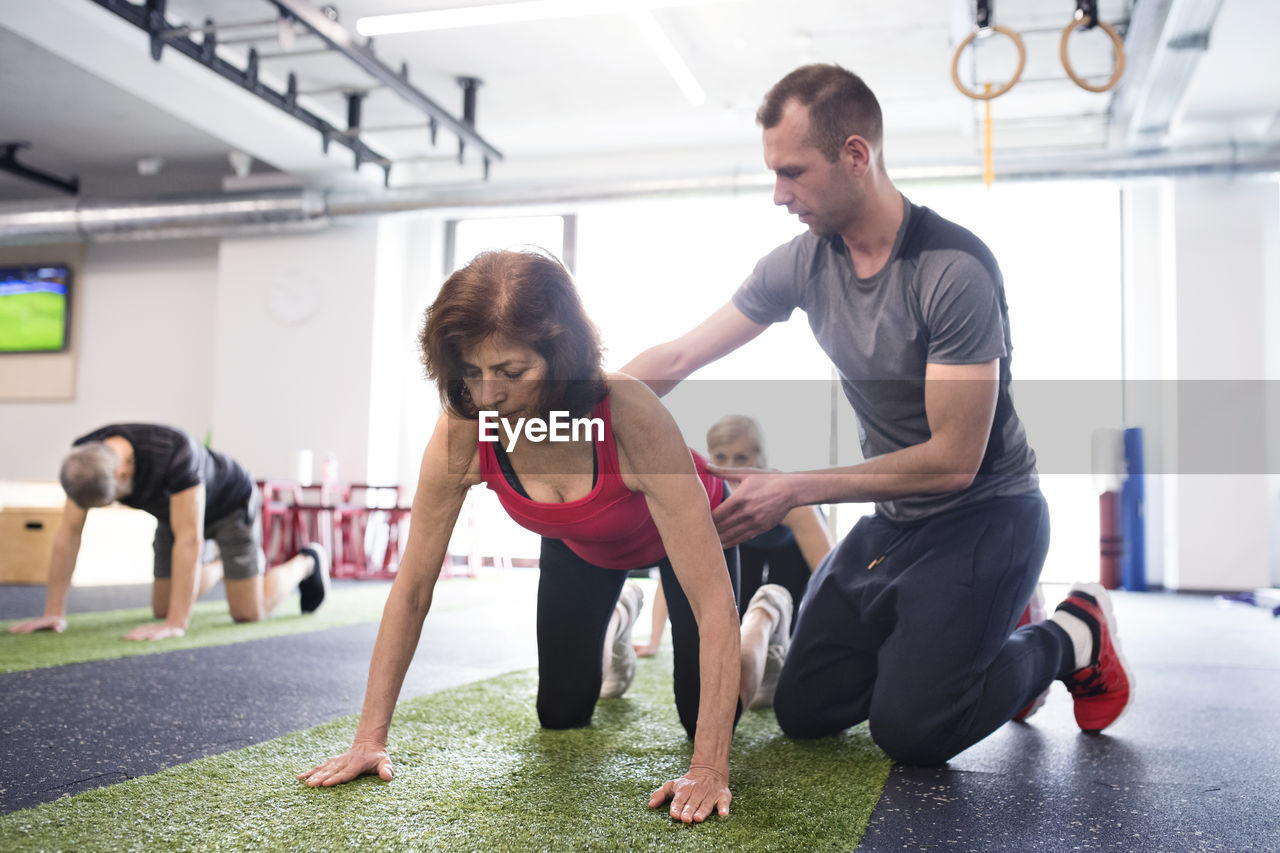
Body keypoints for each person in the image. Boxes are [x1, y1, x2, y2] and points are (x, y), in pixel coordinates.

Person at [621, 64, 1133, 765]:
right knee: (805, 711)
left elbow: (955, 460)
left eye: (793, 172)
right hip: (897, 521)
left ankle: (1071, 632)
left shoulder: (952, 269)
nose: (779, 194)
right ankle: (958, 630)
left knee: (913, 728)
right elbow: (678, 357)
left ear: (856, 156)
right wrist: (566, 403)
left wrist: (794, 485)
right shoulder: (800, 265)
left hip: (988, 513)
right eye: (774, 173)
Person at [298, 250, 790, 824]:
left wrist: (708, 767)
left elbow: (711, 608)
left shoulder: (630, 413)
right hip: (582, 542)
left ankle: (764, 620)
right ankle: (621, 610)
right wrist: (369, 740)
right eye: (472, 371)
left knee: (709, 716)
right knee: (560, 712)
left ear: (562, 357)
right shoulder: (464, 430)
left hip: (683, 536)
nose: (487, 395)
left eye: (511, 372)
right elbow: (410, 591)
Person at [7, 424, 329, 641]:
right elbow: (68, 533)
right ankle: (221, 566)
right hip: (171, 510)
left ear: (121, 473)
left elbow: (189, 540)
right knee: (162, 608)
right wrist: (53, 613)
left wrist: (176, 624)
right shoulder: (86, 462)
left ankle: (306, 561)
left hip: (229, 503)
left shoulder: (174, 453)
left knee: (248, 613)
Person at [636, 415, 834, 690]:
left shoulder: (788, 499)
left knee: (784, 616)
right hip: (746, 545)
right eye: (720, 457)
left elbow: (829, 575)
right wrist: (654, 640)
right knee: (736, 622)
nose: (730, 468)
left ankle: (780, 653)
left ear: (759, 459)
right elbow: (678, 571)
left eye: (741, 458)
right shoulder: (707, 497)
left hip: (791, 549)